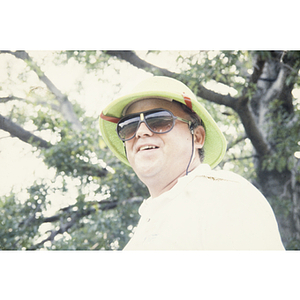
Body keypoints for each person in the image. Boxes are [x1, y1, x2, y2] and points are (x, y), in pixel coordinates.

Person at [99, 76, 285, 250]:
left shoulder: (224, 195)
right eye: (129, 126)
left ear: (197, 137)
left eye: (159, 120)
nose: (140, 132)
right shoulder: (144, 227)